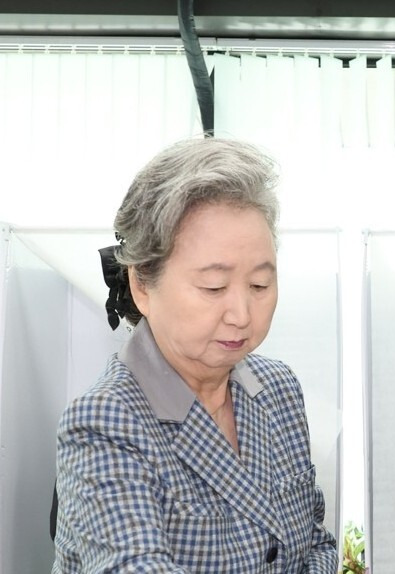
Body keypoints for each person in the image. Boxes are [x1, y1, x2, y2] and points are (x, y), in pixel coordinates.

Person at [52, 138, 338, 573]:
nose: (242, 314)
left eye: (260, 285)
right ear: (142, 285)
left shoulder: (278, 389)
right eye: (213, 287)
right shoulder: (105, 422)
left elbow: (315, 543)